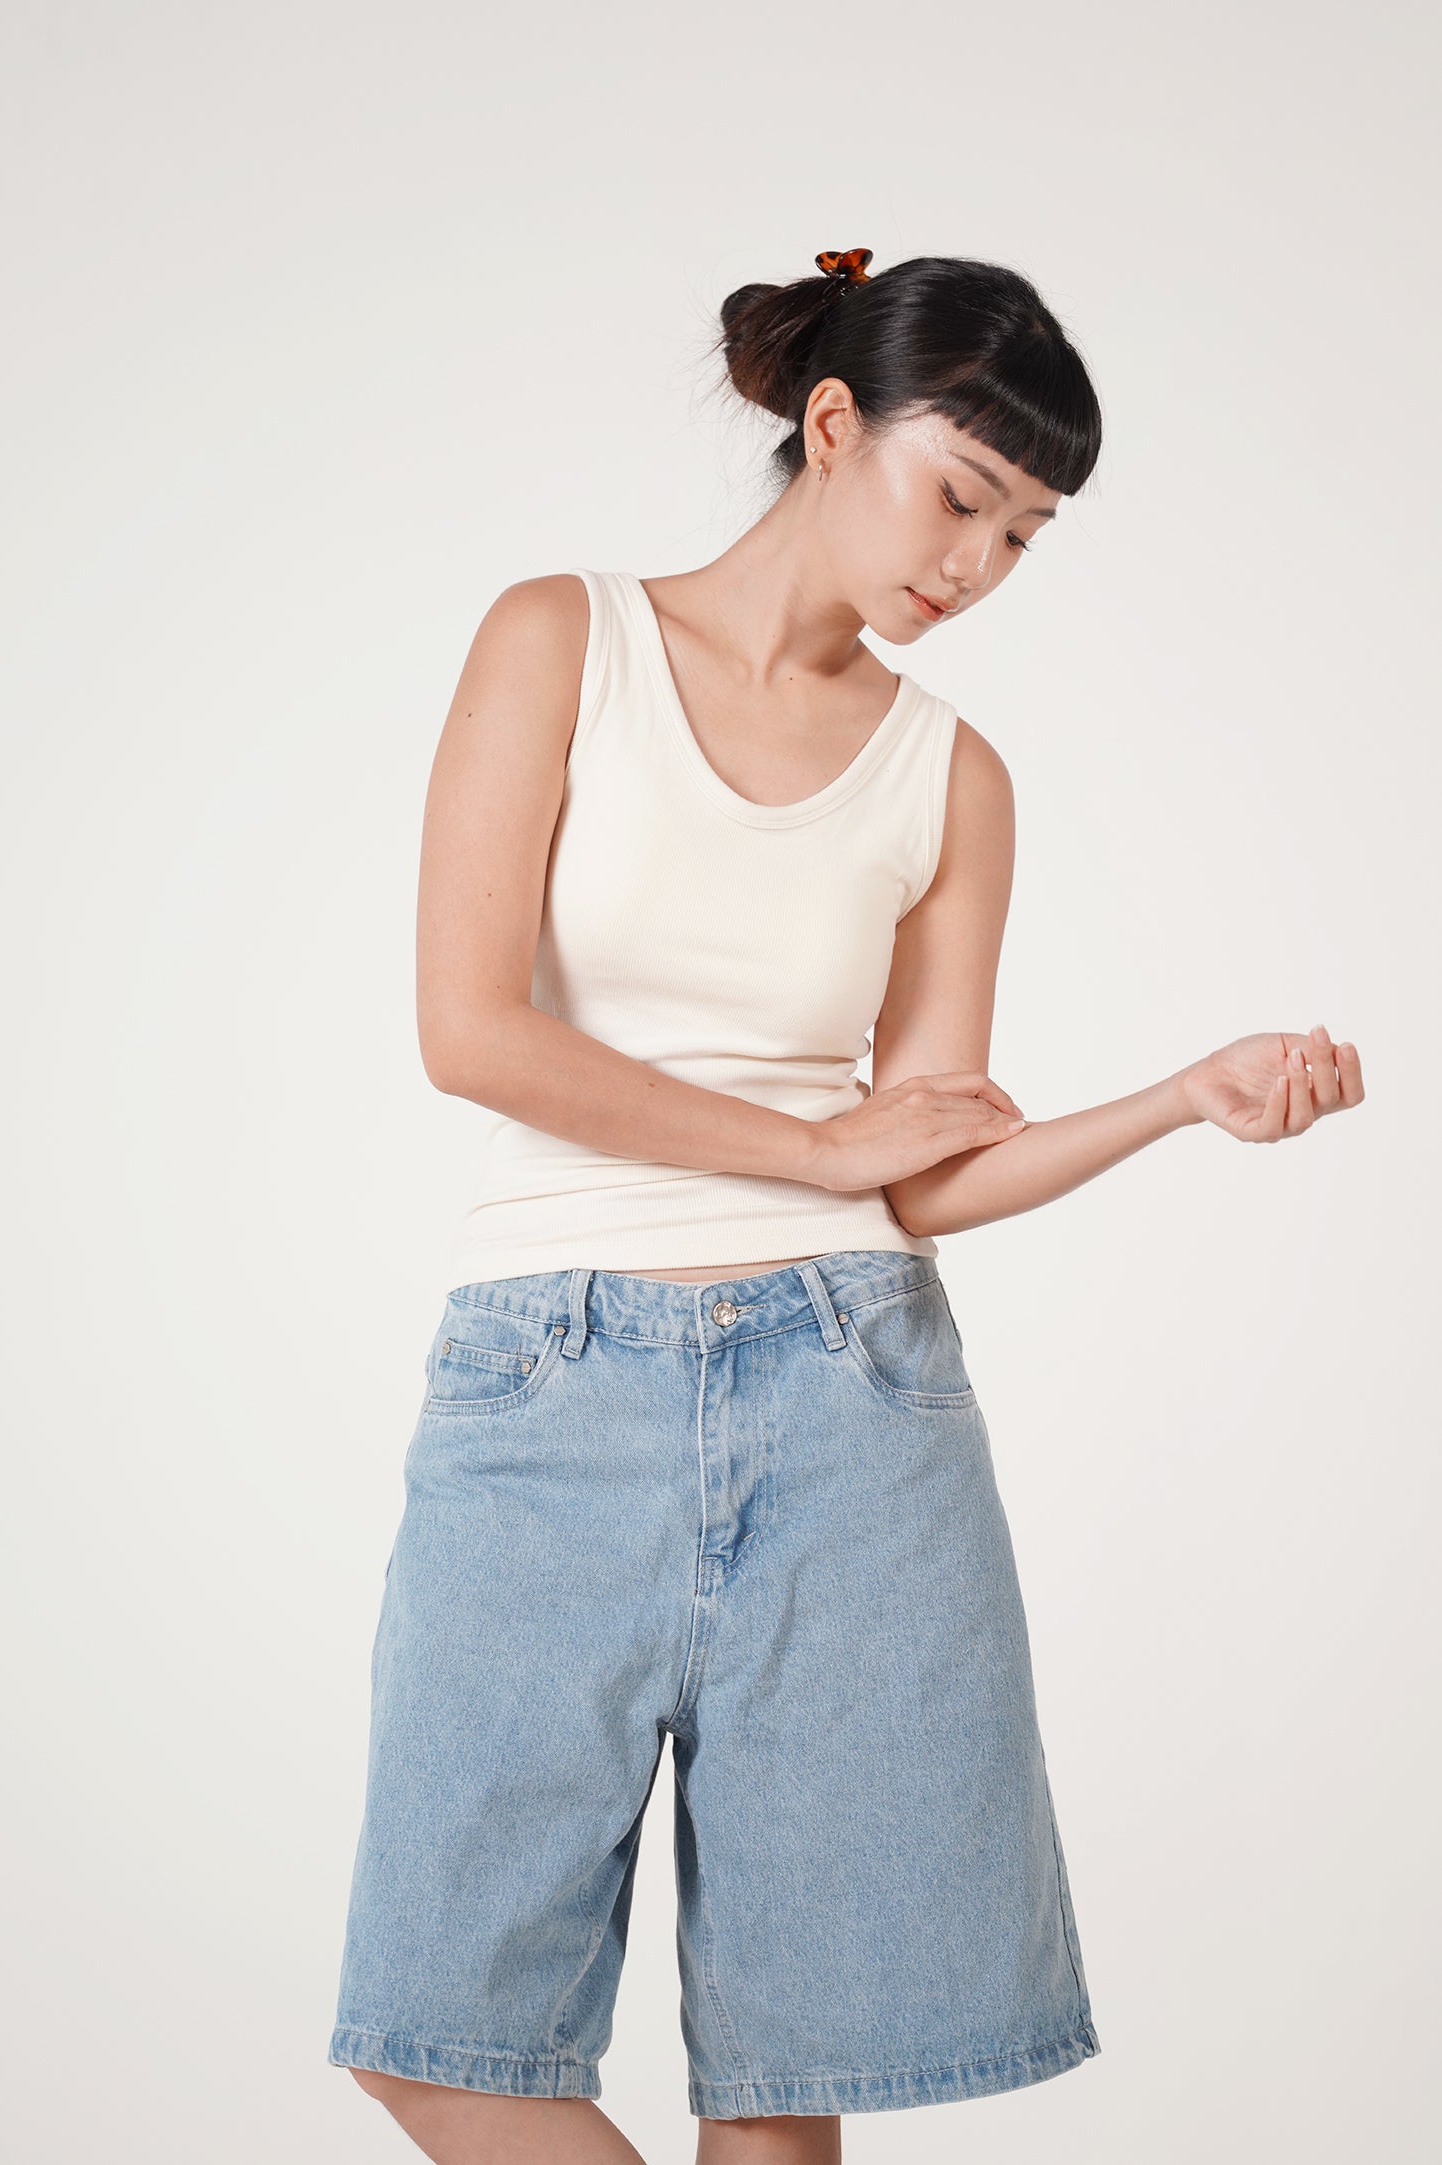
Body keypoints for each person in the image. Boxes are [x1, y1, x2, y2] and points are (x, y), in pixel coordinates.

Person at [326, 248, 1364, 2165]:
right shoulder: (562, 638)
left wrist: (1177, 1100)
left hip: (856, 1397)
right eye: (960, 495)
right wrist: (814, 1147)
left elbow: (932, 1161)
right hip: (546, 1380)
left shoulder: (952, 777)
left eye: (1025, 535)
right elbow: (468, 1029)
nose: (975, 567)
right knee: (442, 2031)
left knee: (796, 2084)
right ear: (830, 426)